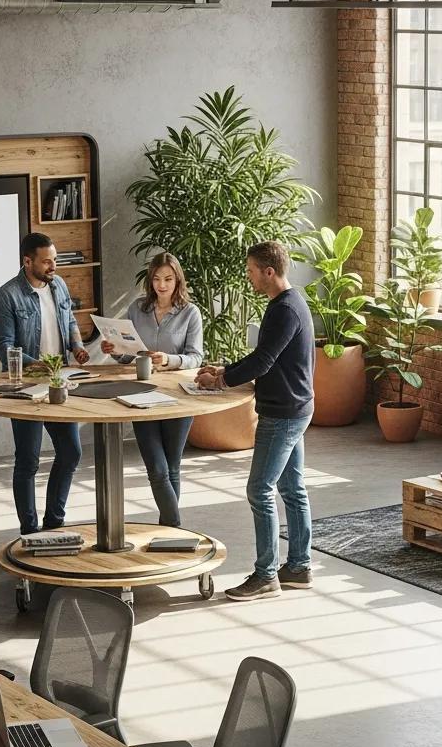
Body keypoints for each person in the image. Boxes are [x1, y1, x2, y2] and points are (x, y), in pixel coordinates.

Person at [195, 241, 314, 601]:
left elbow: (263, 361)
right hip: (295, 407)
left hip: (282, 414)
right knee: (292, 489)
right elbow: (266, 356)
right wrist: (226, 370)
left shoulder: (284, 310)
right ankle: (299, 568)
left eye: (250, 271)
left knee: (259, 489)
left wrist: (220, 381)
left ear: (268, 271)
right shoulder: (288, 303)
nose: (248, 277)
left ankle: (266, 576)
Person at [0, 232, 90, 535]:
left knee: (71, 452)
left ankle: (54, 523)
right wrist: (39, 365)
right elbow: (3, 348)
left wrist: (77, 346)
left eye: (55, 260)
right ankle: (30, 531)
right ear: (27, 261)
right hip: (26, 387)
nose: (53, 266)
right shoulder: (7, 295)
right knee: (28, 460)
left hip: (59, 381)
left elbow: (70, 321)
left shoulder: (58, 285)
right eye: (47, 261)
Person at [100, 252, 203, 528]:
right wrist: (114, 350)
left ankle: (168, 530)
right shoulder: (137, 309)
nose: (162, 285)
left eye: (168, 279)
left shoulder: (190, 313)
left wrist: (168, 359)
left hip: (177, 396)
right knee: (157, 468)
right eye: (157, 279)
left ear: (177, 280)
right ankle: (175, 528)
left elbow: (196, 357)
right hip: (141, 394)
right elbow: (128, 354)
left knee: (172, 467)